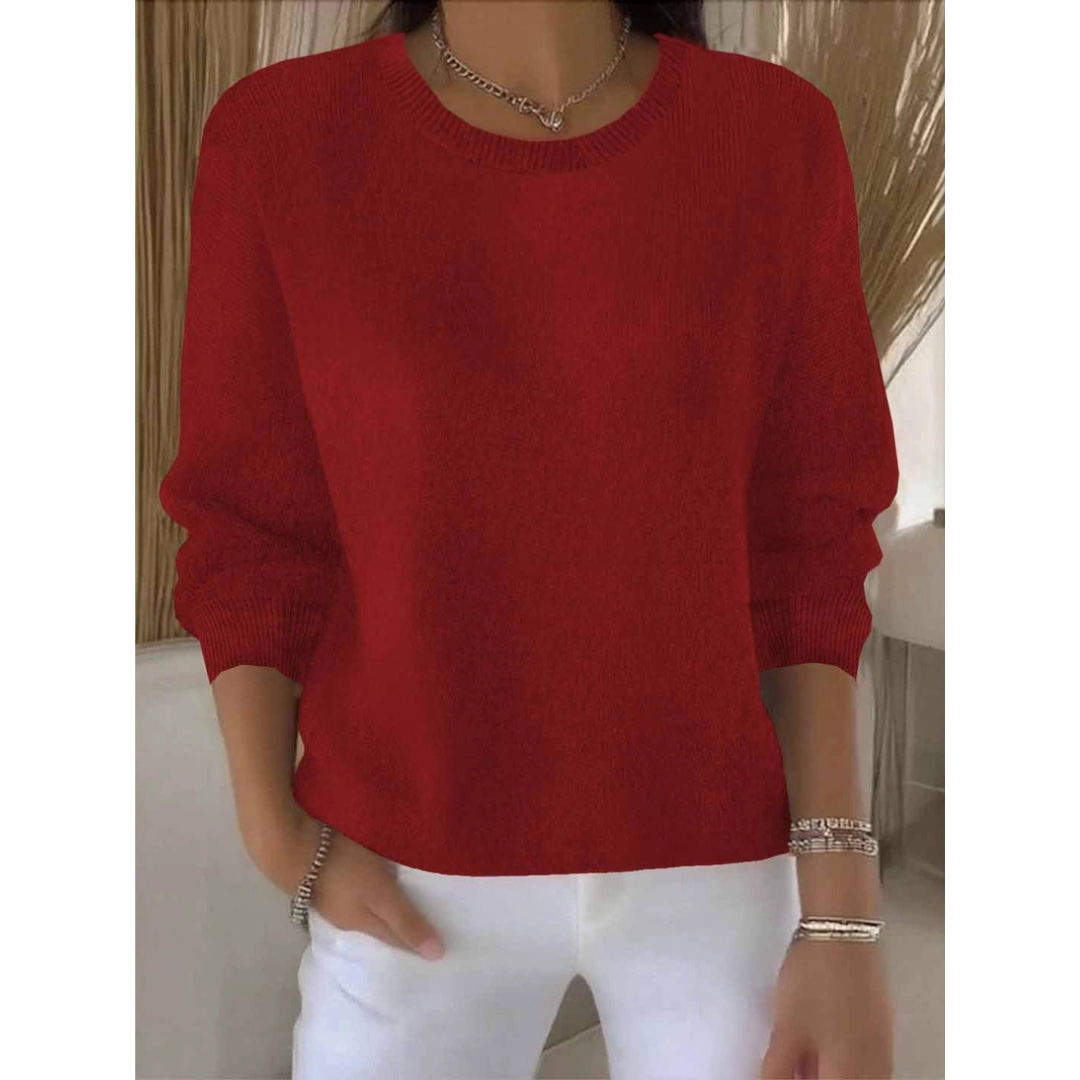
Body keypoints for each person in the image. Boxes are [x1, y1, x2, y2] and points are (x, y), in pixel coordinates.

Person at [158, 1, 899, 1077]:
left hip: (722, 872)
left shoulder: (772, 137)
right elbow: (252, 526)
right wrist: (278, 835)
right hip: (403, 879)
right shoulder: (283, 139)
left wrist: (840, 921)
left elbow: (808, 546)